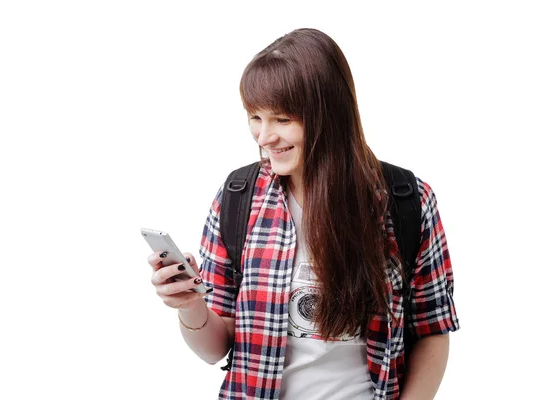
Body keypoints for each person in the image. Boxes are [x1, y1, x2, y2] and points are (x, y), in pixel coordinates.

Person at [147, 28, 460, 400]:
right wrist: (190, 304)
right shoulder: (237, 198)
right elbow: (215, 349)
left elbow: (431, 332)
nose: (263, 137)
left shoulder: (407, 201)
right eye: (255, 117)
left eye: (281, 120)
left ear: (331, 115)